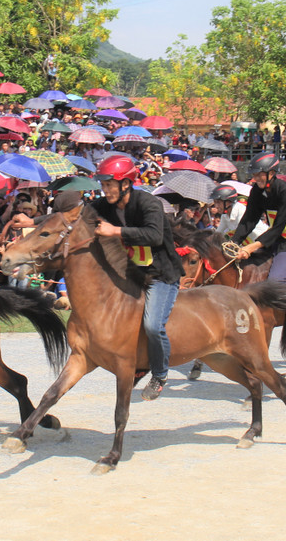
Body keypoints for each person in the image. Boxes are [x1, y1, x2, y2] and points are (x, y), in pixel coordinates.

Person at [91, 155, 182, 400]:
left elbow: (154, 236)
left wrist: (115, 230)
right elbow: (75, 216)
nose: (105, 189)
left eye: (109, 184)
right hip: (134, 274)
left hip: (161, 275)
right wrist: (33, 221)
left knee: (153, 326)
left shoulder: (149, 203)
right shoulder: (105, 205)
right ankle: (138, 363)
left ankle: (160, 375)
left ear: (126, 184)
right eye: (103, 184)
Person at [232, 151, 286, 310]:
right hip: (272, 242)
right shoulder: (257, 191)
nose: (256, 178)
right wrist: (234, 242)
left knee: (274, 282)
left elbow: (279, 226)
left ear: (272, 173)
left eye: (260, 175)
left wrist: (251, 246)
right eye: (255, 175)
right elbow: (249, 219)